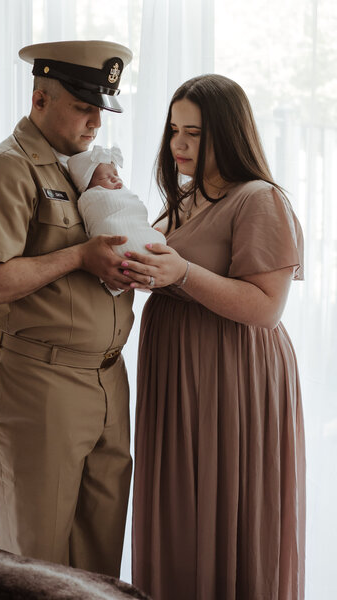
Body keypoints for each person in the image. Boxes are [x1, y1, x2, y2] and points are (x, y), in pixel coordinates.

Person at [0, 40, 136, 577]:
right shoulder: (3, 169)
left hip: (108, 379)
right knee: (38, 565)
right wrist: (80, 255)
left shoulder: (80, 169)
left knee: (98, 565)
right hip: (41, 380)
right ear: (39, 98)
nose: (95, 122)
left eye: (100, 109)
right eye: (83, 107)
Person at [125, 75, 305, 599]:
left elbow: (267, 307)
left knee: (224, 512)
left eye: (195, 134)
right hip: (178, 375)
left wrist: (179, 273)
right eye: (174, 130)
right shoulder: (185, 198)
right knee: (181, 512)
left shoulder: (259, 199)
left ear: (228, 134)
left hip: (230, 375)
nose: (178, 144)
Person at [67, 144, 166, 282]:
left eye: (116, 174)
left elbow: (137, 210)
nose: (115, 179)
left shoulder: (124, 193)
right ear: (87, 186)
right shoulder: (90, 197)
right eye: (104, 178)